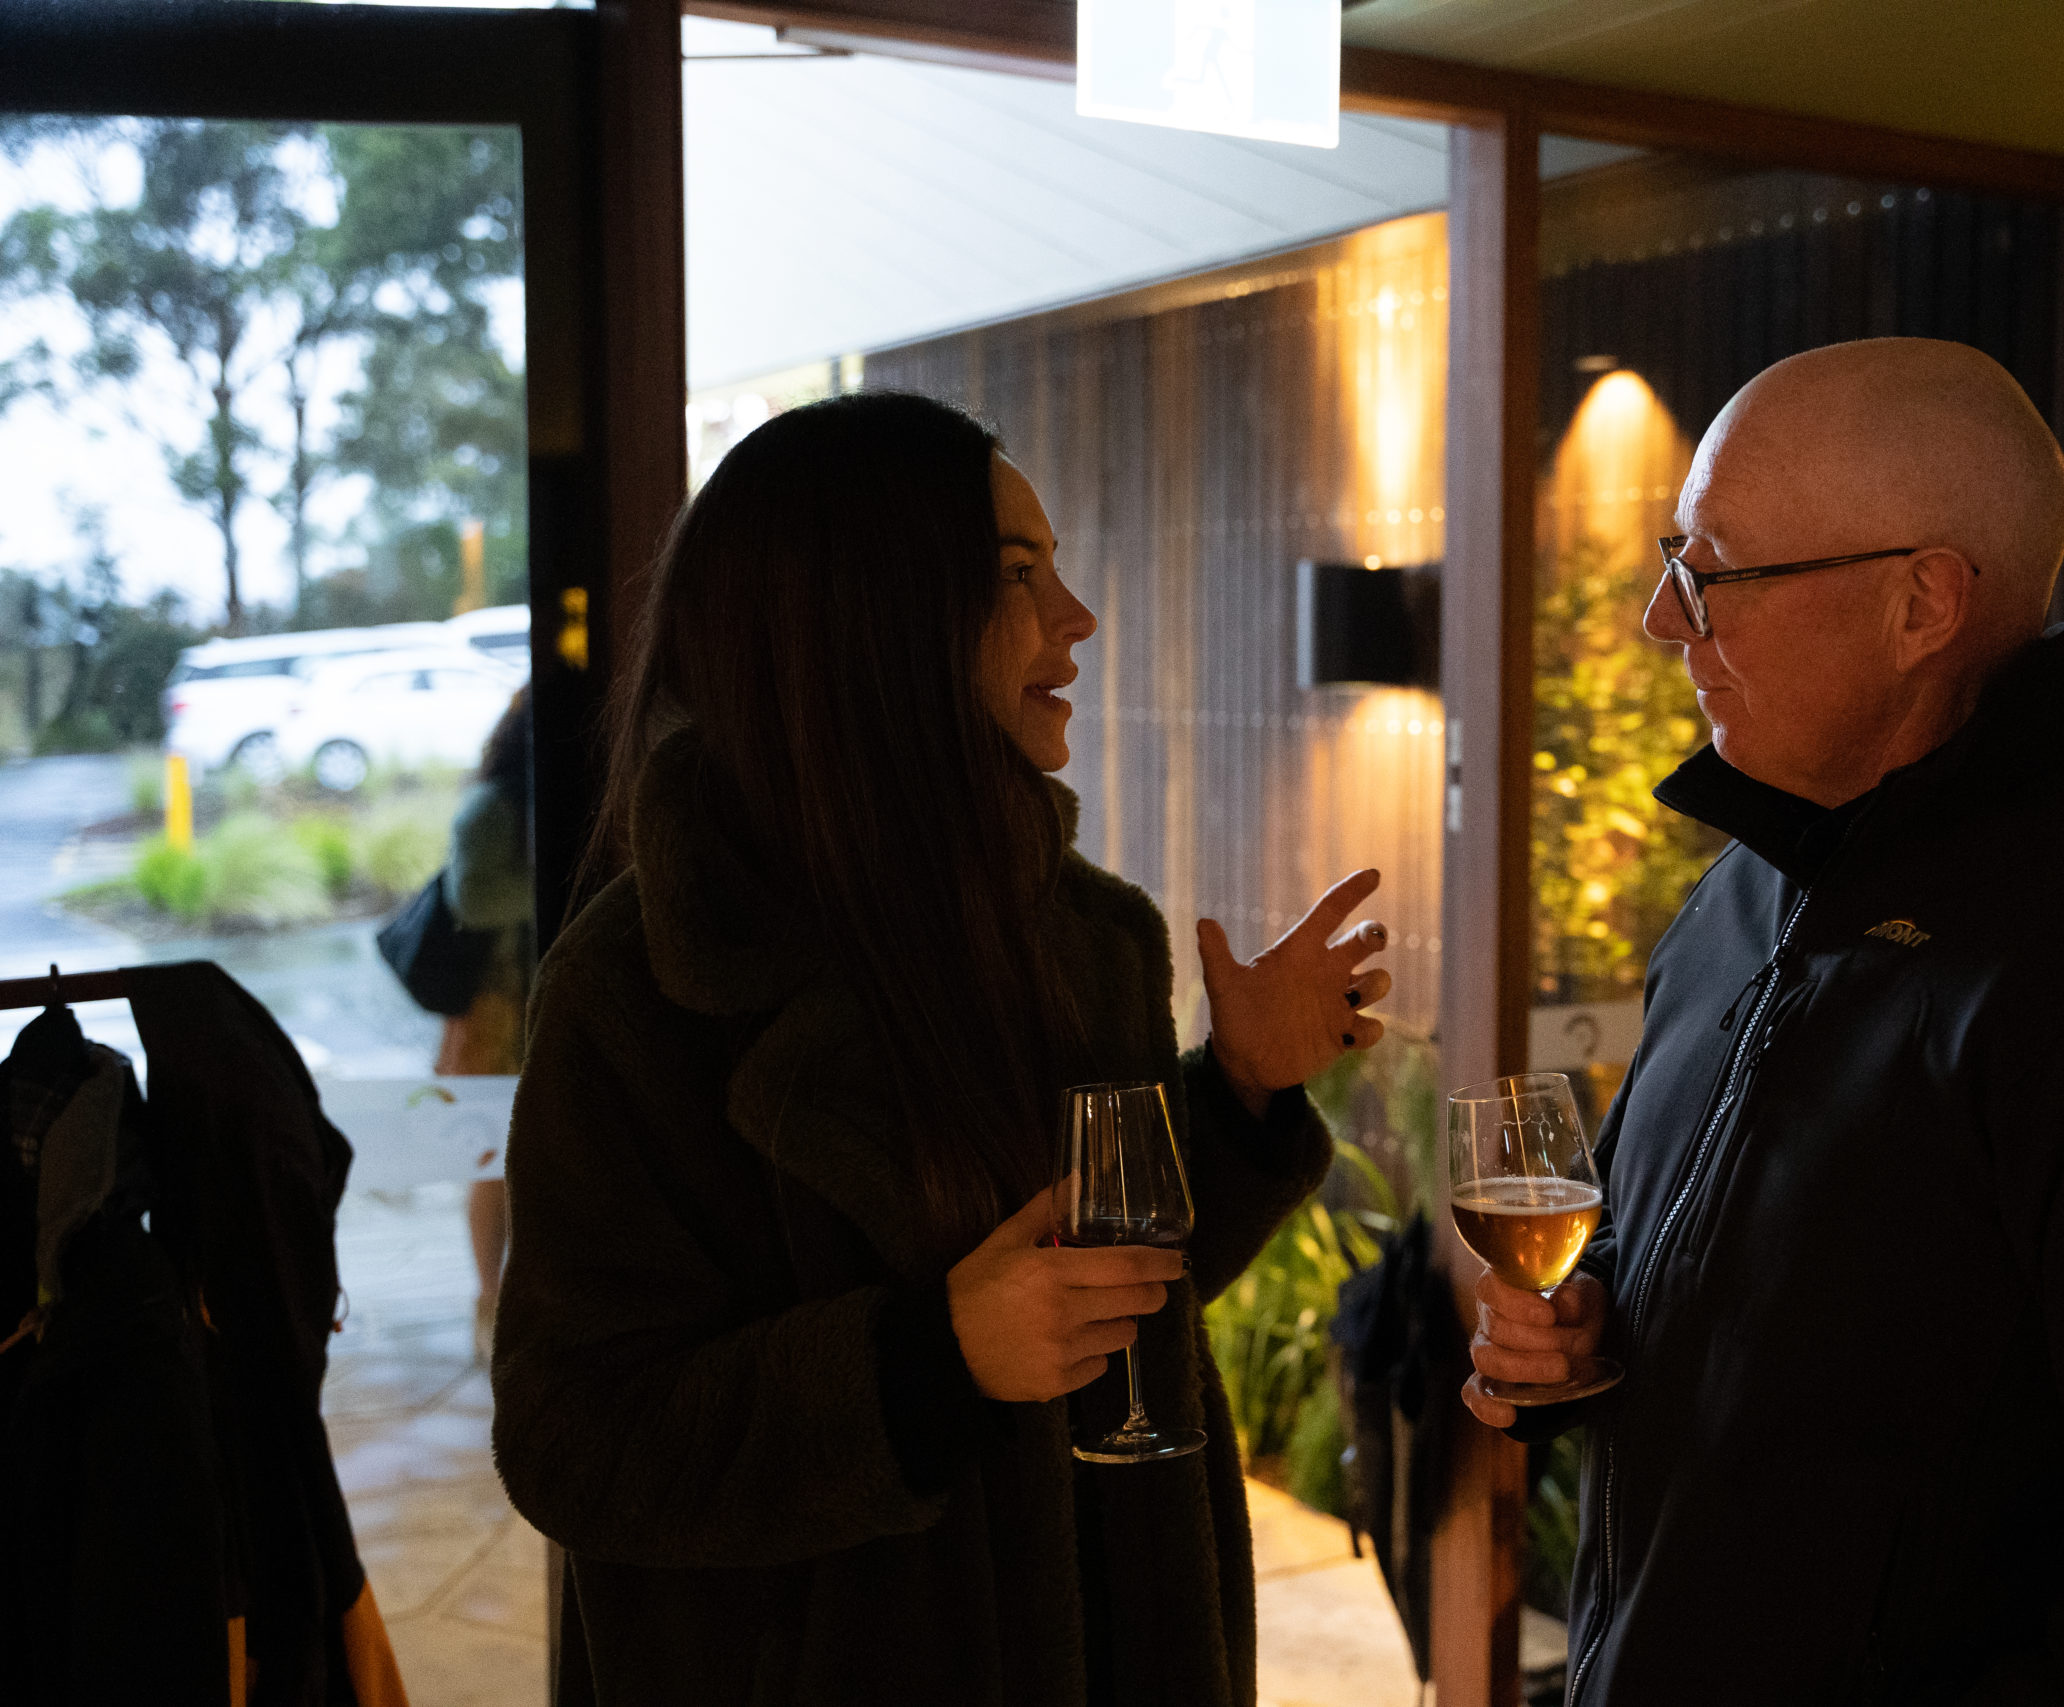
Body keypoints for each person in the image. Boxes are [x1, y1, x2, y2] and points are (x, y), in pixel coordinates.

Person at [1464, 338, 2064, 1703]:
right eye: (1675, 560)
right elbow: (1741, 1303)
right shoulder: (1744, 891)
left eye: (1715, 572)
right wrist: (1586, 1328)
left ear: (1923, 604)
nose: (1664, 620)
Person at [490, 390, 1394, 1707]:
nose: (1076, 618)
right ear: (867, 618)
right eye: (1019, 575)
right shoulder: (645, 988)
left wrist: (1241, 1096)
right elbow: (573, 1441)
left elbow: (1105, 1294)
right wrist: (922, 1363)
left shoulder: (1087, 936)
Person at [435, 686, 533, 1365]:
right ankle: (492, 1303)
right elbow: (471, 897)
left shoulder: (509, 803)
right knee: (494, 1163)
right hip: (496, 1013)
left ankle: (510, 1306)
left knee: (519, 1162)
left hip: (523, 1003)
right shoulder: (492, 810)